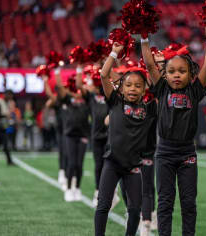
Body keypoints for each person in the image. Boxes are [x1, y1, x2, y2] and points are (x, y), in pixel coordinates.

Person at [141, 27, 206, 236]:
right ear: (165, 73)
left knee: (189, 203)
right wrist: (143, 36)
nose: (176, 75)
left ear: (191, 73)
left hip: (187, 154)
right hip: (164, 152)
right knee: (164, 202)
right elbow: (148, 63)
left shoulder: (194, 90)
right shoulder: (162, 89)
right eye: (172, 71)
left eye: (182, 71)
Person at [94, 43, 157, 236]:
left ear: (145, 89)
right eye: (128, 84)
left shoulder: (149, 109)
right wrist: (114, 52)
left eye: (138, 86)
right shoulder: (115, 102)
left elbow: (159, 87)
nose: (132, 88)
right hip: (112, 163)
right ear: (121, 87)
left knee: (135, 210)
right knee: (103, 205)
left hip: (133, 167)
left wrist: (149, 56)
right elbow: (104, 75)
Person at [75, 65, 110, 207]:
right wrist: (79, 67)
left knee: (109, 166)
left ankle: (109, 192)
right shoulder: (91, 97)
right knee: (98, 165)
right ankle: (98, 191)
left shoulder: (108, 93)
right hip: (96, 135)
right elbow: (79, 85)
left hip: (109, 135)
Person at [54, 69, 91, 202]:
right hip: (69, 134)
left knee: (79, 164)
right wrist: (57, 72)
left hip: (83, 134)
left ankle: (77, 188)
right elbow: (60, 88)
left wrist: (81, 70)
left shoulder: (87, 100)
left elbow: (83, 87)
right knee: (71, 163)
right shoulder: (68, 99)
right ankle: (69, 189)